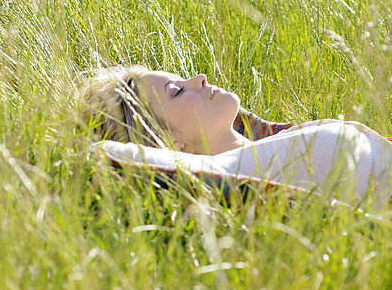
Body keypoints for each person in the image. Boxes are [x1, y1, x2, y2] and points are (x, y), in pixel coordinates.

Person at [78, 64, 392, 210]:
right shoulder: (229, 175)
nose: (198, 79)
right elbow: (108, 152)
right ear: (171, 145)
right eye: (177, 91)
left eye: (181, 78)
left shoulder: (268, 145)